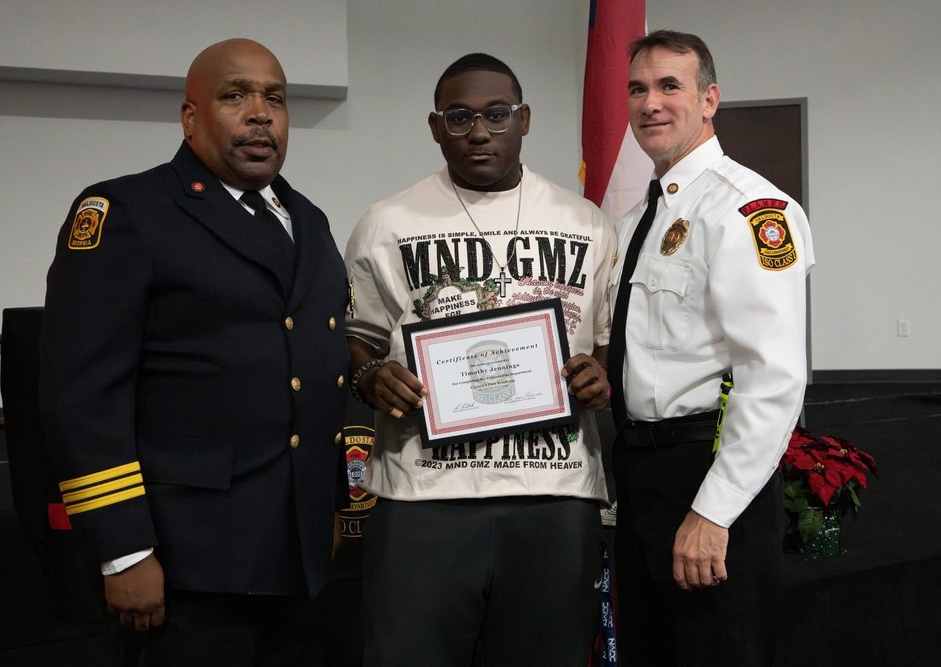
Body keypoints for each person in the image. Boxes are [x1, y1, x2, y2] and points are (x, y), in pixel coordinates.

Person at [39, 38, 350, 666]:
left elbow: (313, 370)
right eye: (235, 96)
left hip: (298, 553)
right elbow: (82, 398)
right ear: (190, 117)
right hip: (188, 562)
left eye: (275, 99)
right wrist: (123, 549)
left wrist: (331, 507)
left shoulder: (307, 220)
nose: (260, 113)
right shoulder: (129, 212)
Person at [345, 53, 617, 666]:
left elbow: (603, 343)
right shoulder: (386, 222)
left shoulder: (587, 223)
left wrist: (599, 377)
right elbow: (356, 336)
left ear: (523, 119)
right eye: (459, 116)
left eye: (496, 115)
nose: (478, 131)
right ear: (435, 126)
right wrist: (370, 376)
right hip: (422, 495)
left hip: (554, 492)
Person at [608, 30, 814, 666]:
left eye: (671, 86)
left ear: (709, 100)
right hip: (641, 475)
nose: (651, 103)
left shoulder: (748, 211)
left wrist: (714, 511)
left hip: (709, 471)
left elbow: (772, 376)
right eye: (638, 89)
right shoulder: (637, 220)